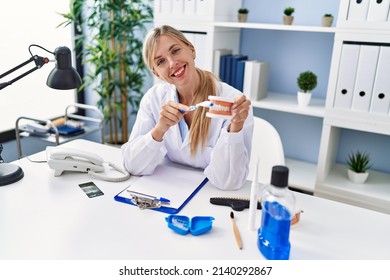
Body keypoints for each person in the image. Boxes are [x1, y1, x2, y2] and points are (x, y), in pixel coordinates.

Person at [121, 25, 253, 190]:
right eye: (161, 61)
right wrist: (159, 130)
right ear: (156, 74)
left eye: (175, 51)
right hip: (169, 189)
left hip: (208, 194)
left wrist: (236, 127)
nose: (172, 63)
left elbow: (229, 182)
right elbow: (132, 165)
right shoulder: (153, 99)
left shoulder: (232, 102)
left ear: (192, 50)